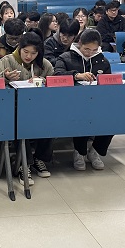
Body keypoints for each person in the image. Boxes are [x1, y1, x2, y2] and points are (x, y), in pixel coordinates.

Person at [0, 30, 55, 185]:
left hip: (37, 108)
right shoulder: (7, 61)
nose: (29, 56)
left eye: (34, 53)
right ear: (19, 47)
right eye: (25, 51)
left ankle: (39, 158)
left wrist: (43, 80)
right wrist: (5, 78)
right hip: (11, 109)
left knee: (50, 121)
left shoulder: (44, 64)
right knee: (20, 124)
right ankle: (24, 165)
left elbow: (54, 81)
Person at [53, 29, 112, 171]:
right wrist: (76, 75)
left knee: (113, 118)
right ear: (80, 43)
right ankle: (79, 152)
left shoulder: (102, 61)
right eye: (86, 49)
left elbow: (108, 83)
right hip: (70, 102)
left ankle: (95, 151)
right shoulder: (66, 57)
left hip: (97, 101)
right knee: (83, 115)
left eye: (94, 50)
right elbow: (57, 75)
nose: (90, 53)